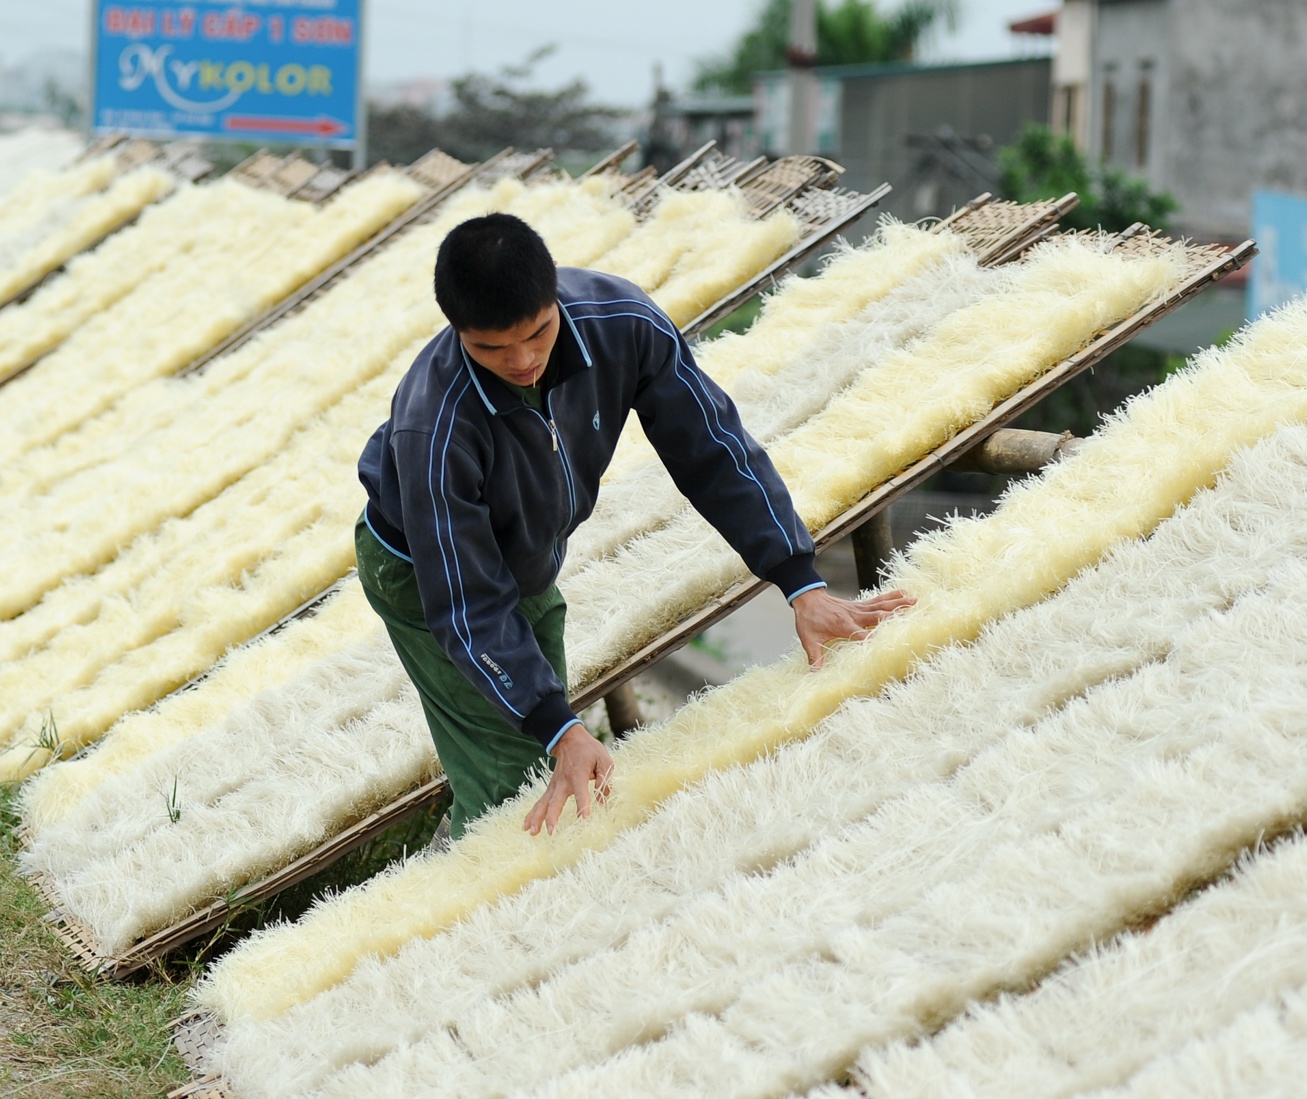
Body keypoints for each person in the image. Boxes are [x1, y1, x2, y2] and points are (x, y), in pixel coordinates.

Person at [356, 213, 912, 840]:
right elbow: (466, 603)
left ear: (554, 297)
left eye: (537, 333)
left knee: (542, 763)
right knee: (512, 794)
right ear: (458, 331)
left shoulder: (623, 324)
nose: (522, 360)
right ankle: (448, 916)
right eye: (491, 348)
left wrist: (800, 582)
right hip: (422, 570)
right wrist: (559, 726)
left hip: (528, 549)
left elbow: (713, 449)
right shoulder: (435, 425)